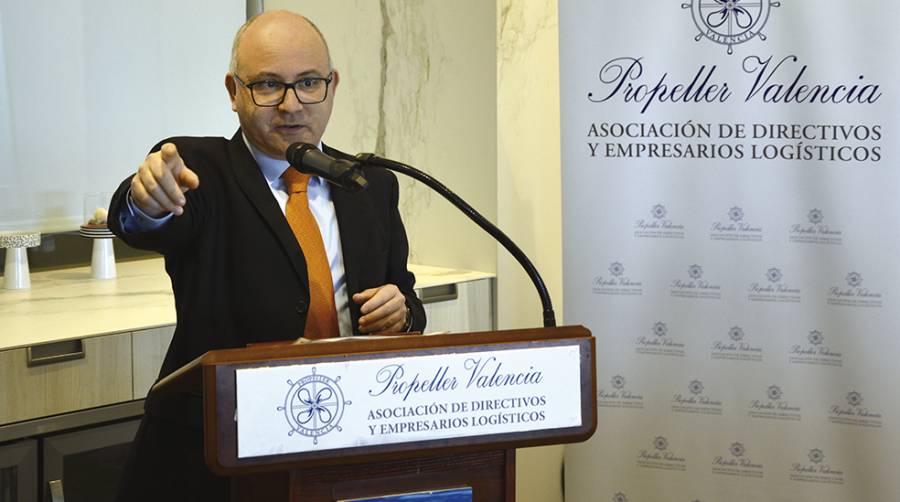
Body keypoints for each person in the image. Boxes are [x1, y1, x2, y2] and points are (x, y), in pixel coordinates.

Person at [108, 10, 425, 500]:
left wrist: (400, 313)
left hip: (347, 445)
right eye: (269, 85)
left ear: (332, 85)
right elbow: (144, 221)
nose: (291, 105)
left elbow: (405, 296)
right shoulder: (200, 171)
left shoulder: (369, 184)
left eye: (308, 83)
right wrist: (144, 201)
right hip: (217, 460)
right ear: (234, 91)